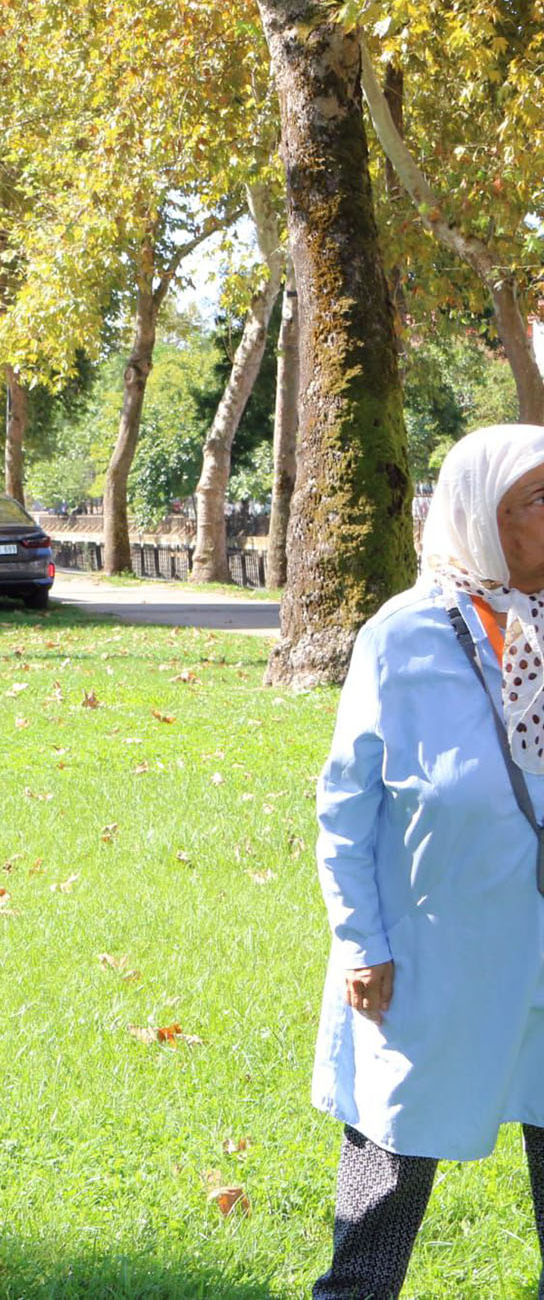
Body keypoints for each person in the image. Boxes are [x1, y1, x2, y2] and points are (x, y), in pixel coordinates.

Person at [310, 423, 544, 1298]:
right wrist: (361, 942)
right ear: (484, 515)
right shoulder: (403, 636)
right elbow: (344, 806)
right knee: (384, 1195)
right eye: (543, 498)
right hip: (429, 959)